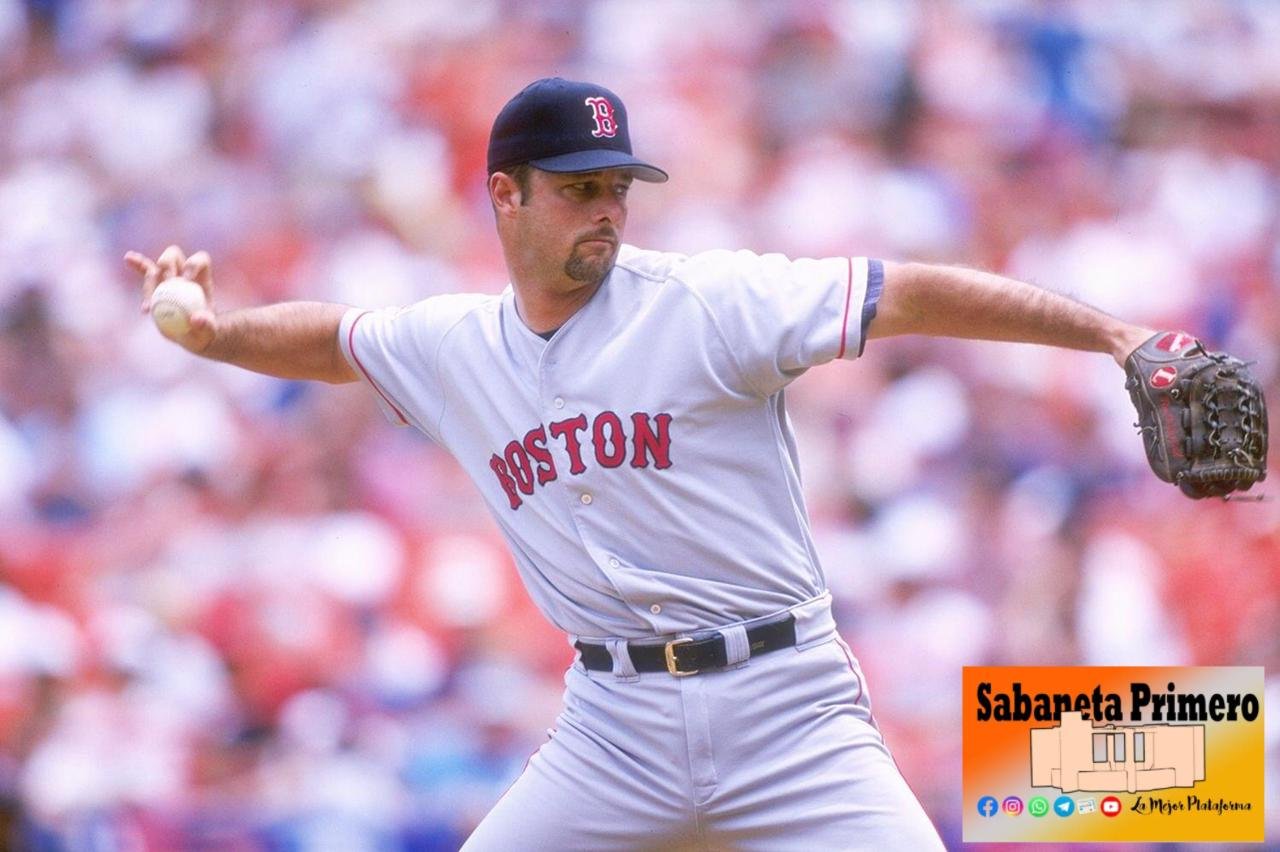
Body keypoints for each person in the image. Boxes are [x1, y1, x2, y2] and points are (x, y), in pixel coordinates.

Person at [127, 77, 1155, 850]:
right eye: (579, 189)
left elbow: (910, 294)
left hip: (785, 706)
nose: (607, 210)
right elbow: (335, 339)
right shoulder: (454, 345)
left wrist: (1113, 337)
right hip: (612, 727)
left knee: (1155, 764)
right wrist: (219, 335)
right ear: (504, 195)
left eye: (618, 187)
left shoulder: (707, 302)